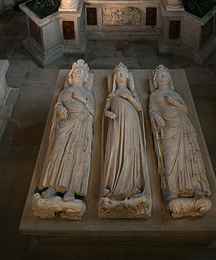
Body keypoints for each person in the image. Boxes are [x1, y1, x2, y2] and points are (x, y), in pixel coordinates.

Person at [149, 65, 211, 218]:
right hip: (168, 127)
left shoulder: (174, 93)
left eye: (164, 74)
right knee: (169, 158)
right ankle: (172, 191)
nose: (162, 76)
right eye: (159, 75)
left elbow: (185, 109)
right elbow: (152, 110)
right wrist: (155, 115)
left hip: (182, 124)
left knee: (189, 157)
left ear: (169, 78)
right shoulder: (154, 95)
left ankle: (195, 189)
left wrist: (174, 102)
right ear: (155, 80)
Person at [99, 62, 151, 218]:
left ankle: (132, 186)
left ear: (128, 77)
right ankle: (114, 188)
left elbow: (140, 108)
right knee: (115, 151)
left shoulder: (132, 94)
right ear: (114, 78)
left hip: (131, 125)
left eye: (123, 74)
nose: (120, 76)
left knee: (130, 153)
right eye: (118, 74)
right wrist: (109, 115)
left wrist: (128, 97)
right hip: (116, 125)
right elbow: (105, 112)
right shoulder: (112, 95)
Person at [38, 60, 95, 203]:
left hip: (80, 125)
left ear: (85, 77)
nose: (78, 74)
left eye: (81, 72)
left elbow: (92, 111)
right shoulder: (65, 91)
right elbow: (58, 104)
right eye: (76, 72)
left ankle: (71, 189)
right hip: (64, 125)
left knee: (75, 155)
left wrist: (82, 100)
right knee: (56, 151)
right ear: (71, 75)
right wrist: (60, 108)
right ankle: (51, 185)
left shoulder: (87, 92)